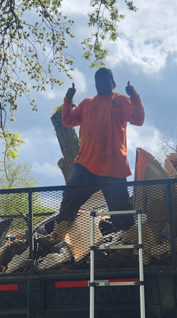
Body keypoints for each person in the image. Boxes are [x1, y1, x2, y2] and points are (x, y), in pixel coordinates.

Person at [48, 67, 145, 240]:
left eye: (104, 78)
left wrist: (134, 95)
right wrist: (68, 99)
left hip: (113, 166)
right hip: (86, 164)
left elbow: (138, 119)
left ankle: (130, 241)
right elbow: (68, 120)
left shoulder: (120, 100)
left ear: (113, 83)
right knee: (71, 195)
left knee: (120, 206)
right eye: (97, 79)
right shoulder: (86, 103)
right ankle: (59, 233)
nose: (100, 81)